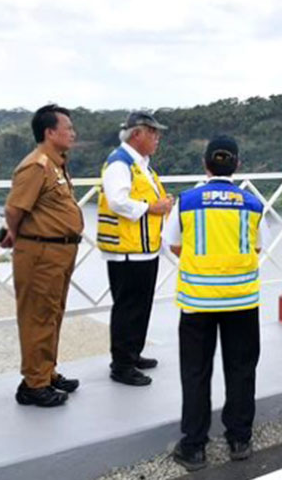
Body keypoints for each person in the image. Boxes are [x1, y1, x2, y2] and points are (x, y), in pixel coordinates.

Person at [162, 136, 267, 472]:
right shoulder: (252, 203)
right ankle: (239, 439)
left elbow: (172, 244)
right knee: (241, 368)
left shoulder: (187, 201)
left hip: (197, 300)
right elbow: (258, 247)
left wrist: (199, 263)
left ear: (205, 164)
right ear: (236, 164)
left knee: (195, 372)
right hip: (241, 299)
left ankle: (194, 446)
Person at [2, 104, 83, 407]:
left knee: (52, 314)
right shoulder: (36, 166)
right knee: (38, 316)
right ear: (50, 132)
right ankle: (33, 384)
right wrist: (17, 234)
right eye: (68, 128)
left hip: (59, 251)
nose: (73, 133)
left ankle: (46, 373)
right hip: (41, 251)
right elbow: (13, 209)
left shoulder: (56, 164)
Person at [97, 111, 173, 386]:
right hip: (127, 249)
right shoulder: (121, 162)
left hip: (144, 247)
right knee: (128, 306)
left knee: (141, 305)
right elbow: (118, 201)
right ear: (137, 133)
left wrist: (161, 205)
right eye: (153, 133)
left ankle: (133, 354)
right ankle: (122, 364)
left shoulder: (142, 164)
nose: (157, 138)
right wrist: (152, 208)